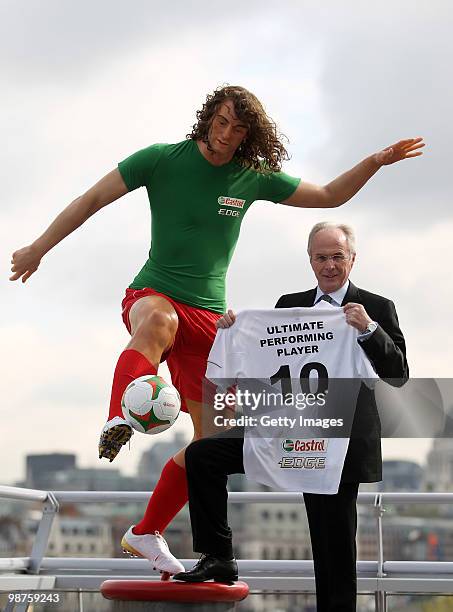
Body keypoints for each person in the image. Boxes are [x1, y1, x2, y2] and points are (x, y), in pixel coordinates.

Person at [9, 84, 421, 576]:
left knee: (209, 445)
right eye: (221, 122)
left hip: (213, 322)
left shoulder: (251, 176)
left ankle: (146, 531)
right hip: (155, 294)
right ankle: (121, 412)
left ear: (249, 135)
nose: (226, 136)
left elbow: (330, 194)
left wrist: (375, 160)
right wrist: (39, 247)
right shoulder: (160, 160)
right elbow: (92, 198)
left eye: (238, 129)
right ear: (208, 117)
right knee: (158, 322)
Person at [175, 222, 409, 612]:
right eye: (321, 257)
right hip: (283, 429)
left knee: (332, 546)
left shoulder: (377, 307)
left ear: (352, 258)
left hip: (339, 439)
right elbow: (267, 360)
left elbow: (399, 375)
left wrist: (369, 329)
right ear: (310, 260)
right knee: (203, 457)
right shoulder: (288, 304)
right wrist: (234, 330)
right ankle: (218, 555)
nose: (329, 265)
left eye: (337, 256)